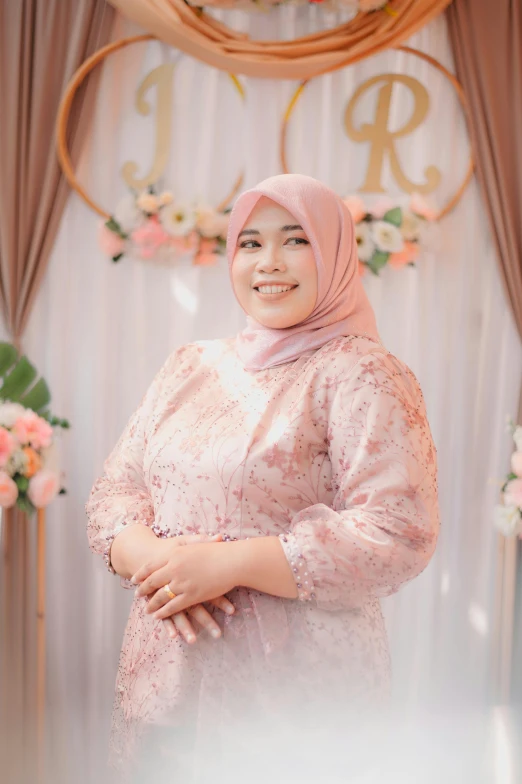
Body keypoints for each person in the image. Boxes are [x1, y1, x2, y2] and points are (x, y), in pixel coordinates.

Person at [86, 173, 439, 783]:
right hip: (165, 675)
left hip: (294, 695)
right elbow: (114, 494)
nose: (268, 263)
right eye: (249, 243)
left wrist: (228, 564)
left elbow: (399, 532)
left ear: (333, 253)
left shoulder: (361, 372)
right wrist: (157, 560)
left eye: (294, 239)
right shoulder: (190, 366)